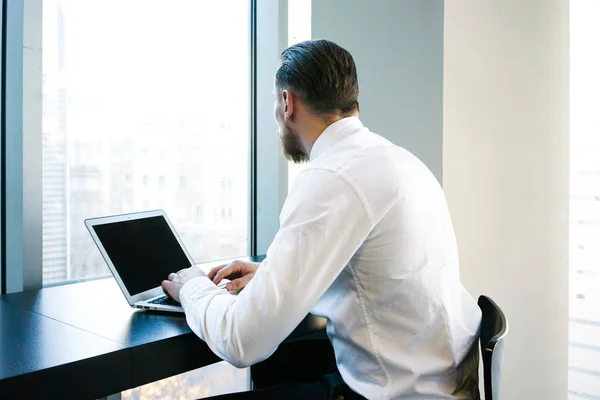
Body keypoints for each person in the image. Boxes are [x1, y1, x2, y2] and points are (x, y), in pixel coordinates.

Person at [162, 39, 482, 399]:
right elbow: (378, 276)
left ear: (287, 103)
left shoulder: (331, 177)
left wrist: (192, 287)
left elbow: (242, 340)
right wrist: (272, 277)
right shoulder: (398, 159)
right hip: (444, 380)